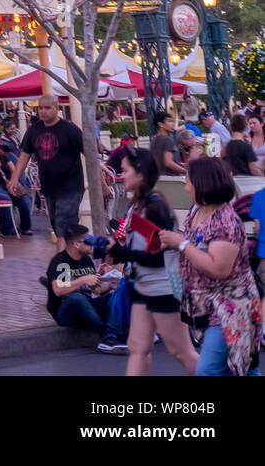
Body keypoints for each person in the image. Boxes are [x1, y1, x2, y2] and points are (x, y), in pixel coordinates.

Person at [156, 157, 263, 375]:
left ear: (202, 183)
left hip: (230, 308)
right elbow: (195, 242)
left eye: (188, 181)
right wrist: (172, 240)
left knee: (209, 370)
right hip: (207, 306)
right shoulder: (198, 211)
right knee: (240, 367)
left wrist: (182, 244)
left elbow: (219, 269)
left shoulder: (225, 221)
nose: (186, 188)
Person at [107, 148, 199, 377]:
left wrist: (124, 254)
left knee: (181, 351)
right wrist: (114, 247)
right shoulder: (137, 205)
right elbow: (134, 242)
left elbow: (158, 257)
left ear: (141, 174)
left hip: (163, 287)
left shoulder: (155, 208)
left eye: (126, 170)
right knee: (138, 346)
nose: (121, 175)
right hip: (143, 285)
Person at [44, 223, 129, 353]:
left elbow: (95, 291)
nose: (92, 244)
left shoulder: (86, 260)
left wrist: (109, 286)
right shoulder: (62, 262)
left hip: (87, 305)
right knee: (77, 298)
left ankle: (115, 332)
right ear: (76, 244)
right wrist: (83, 280)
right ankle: (107, 335)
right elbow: (59, 290)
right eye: (88, 241)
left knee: (119, 293)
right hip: (66, 311)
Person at [10, 98, 84, 243]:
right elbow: (25, 155)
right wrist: (14, 178)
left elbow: (90, 154)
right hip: (49, 187)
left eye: (48, 108)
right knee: (57, 226)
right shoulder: (34, 129)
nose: (43, 111)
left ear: (57, 108)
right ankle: (73, 255)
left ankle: (62, 261)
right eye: (41, 108)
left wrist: (102, 181)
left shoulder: (69, 129)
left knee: (64, 224)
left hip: (71, 186)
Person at [0, 139, 32, 236]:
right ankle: (8, 229)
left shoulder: (4, 158)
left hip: (9, 184)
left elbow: (14, 170)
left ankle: (26, 227)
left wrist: (12, 182)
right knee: (5, 198)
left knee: (24, 201)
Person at [150, 110, 184, 176]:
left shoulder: (154, 140)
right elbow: (168, 162)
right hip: (173, 179)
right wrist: (185, 171)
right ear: (160, 124)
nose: (173, 124)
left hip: (159, 179)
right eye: (169, 121)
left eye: (173, 121)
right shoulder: (168, 140)